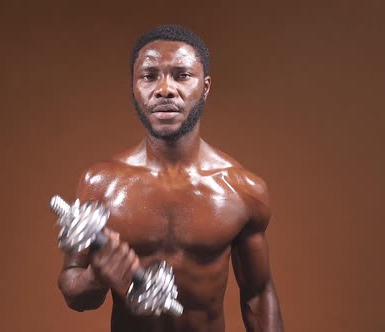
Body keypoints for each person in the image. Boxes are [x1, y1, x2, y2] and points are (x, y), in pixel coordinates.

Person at [57, 24, 284, 331]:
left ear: (204, 87)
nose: (164, 89)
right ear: (134, 86)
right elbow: (74, 290)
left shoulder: (243, 190)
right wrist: (96, 277)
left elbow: (258, 295)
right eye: (149, 76)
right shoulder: (101, 183)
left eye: (181, 75)